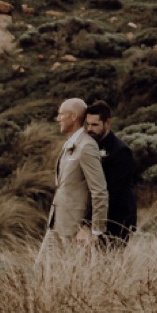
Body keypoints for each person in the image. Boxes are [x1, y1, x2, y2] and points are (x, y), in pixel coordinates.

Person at [45, 96, 108, 252]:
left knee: (70, 273)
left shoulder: (87, 146)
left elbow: (99, 191)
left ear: (73, 117)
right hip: (56, 224)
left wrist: (95, 230)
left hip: (74, 229)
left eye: (61, 114)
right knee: (40, 271)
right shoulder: (69, 143)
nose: (58, 118)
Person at [83, 101, 137, 243]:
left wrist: (90, 223)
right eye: (87, 124)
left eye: (95, 125)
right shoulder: (89, 146)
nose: (89, 129)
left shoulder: (120, 151)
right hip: (96, 216)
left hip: (117, 219)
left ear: (107, 123)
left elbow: (113, 191)